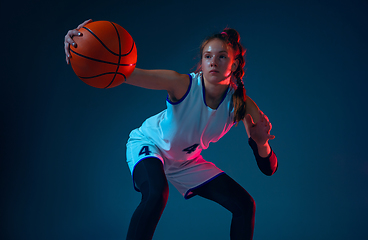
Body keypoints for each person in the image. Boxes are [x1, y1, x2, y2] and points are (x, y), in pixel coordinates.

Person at [64, 19, 278, 240]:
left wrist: (261, 144)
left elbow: (268, 168)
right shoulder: (182, 84)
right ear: (202, 63)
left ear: (233, 64)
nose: (213, 62)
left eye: (221, 56)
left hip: (185, 161)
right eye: (208, 56)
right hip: (149, 144)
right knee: (156, 194)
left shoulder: (241, 104)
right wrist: (79, 46)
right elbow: (125, 73)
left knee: (245, 205)